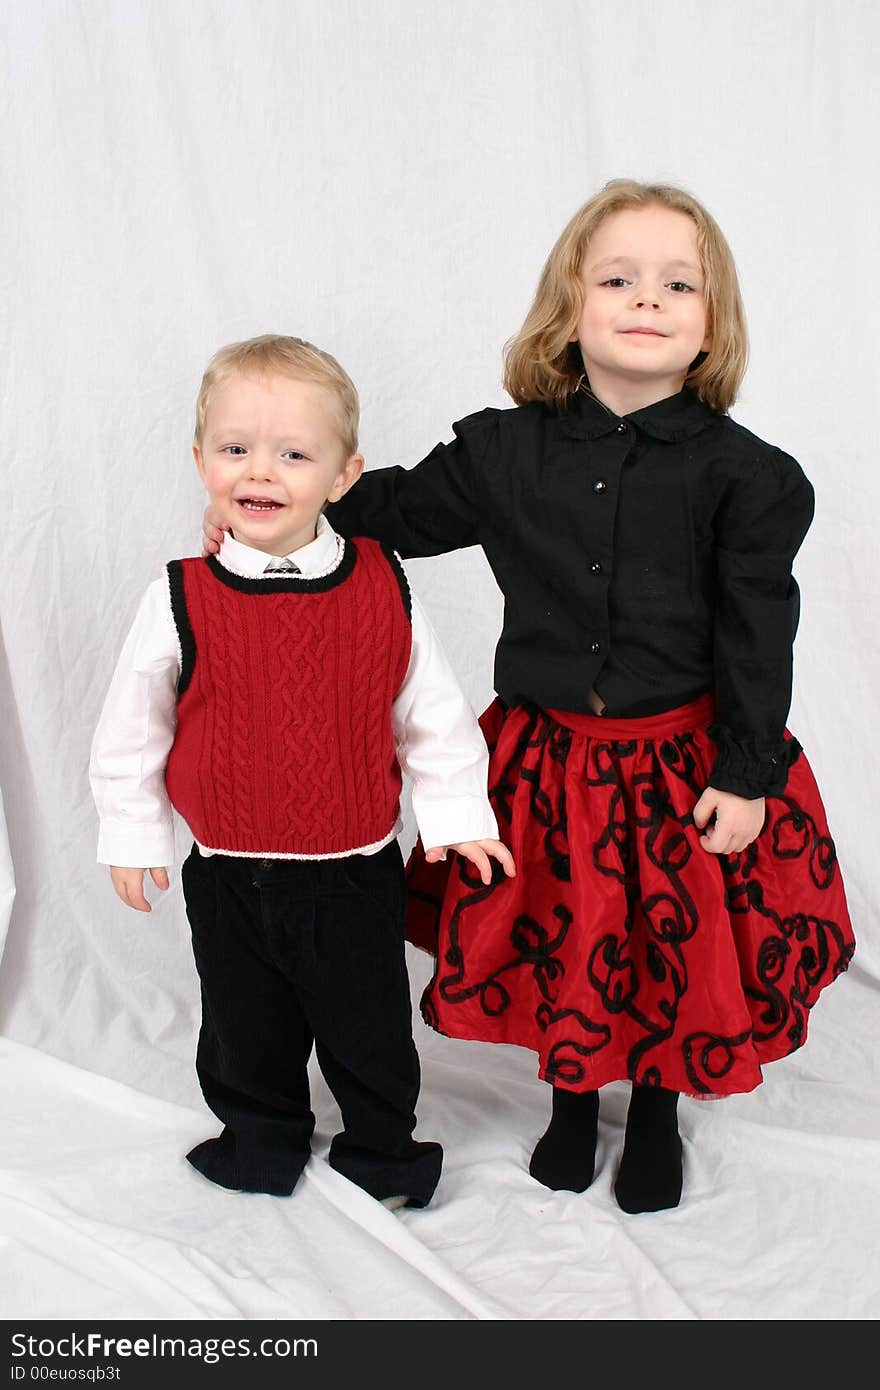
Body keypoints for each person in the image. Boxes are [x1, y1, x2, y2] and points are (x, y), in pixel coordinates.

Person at [203, 182, 855, 1214]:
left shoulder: (751, 479)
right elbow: (390, 513)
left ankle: (649, 1113)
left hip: (680, 756)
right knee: (567, 932)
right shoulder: (504, 452)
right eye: (617, 278)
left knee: (665, 944)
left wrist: (744, 770)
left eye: (676, 283)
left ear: (711, 319)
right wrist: (276, 506)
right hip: (548, 758)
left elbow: (756, 635)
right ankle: (565, 1103)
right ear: (571, 304)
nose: (646, 299)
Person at [91, 334, 514, 1209]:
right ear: (201, 458)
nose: (262, 472)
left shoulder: (378, 583)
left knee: (368, 1031)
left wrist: (459, 814)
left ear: (344, 474)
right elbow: (133, 727)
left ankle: (383, 1153)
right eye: (236, 448)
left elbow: (428, 709)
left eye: (294, 453)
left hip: (352, 874)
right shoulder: (180, 594)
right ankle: (259, 1136)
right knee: (245, 1028)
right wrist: (134, 835)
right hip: (231, 876)